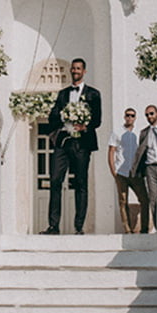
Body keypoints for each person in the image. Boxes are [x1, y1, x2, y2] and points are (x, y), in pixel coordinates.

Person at [42, 57, 102, 235]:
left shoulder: (93, 94)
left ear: (84, 71)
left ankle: (79, 227)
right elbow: (52, 116)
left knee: (81, 183)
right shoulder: (62, 94)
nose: (75, 71)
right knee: (55, 181)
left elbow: (97, 119)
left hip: (82, 143)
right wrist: (62, 117)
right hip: (63, 141)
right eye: (73, 69)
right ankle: (53, 226)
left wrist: (85, 126)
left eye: (78, 69)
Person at [128, 105, 157, 233]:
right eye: (147, 115)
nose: (149, 116)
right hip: (150, 167)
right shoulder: (144, 132)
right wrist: (135, 169)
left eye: (151, 113)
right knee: (153, 198)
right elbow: (140, 152)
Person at [107, 108, 141, 233]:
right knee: (123, 201)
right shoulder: (117, 132)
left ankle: (143, 227)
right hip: (121, 172)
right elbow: (111, 151)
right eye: (127, 115)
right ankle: (127, 229)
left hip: (135, 172)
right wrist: (113, 171)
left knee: (144, 198)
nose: (130, 118)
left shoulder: (138, 133)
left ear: (135, 117)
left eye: (132, 116)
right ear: (124, 116)